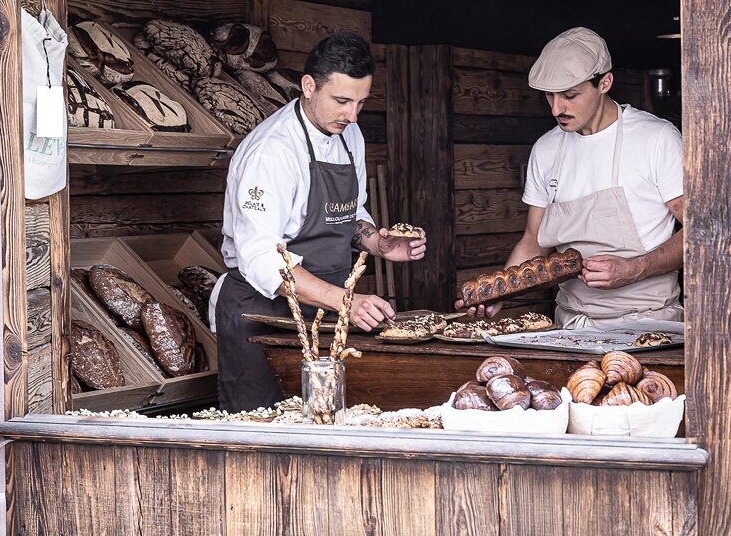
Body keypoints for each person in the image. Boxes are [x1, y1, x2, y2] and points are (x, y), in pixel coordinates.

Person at [210, 32, 427, 412]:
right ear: (308, 86)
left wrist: (378, 242)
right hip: (262, 317)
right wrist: (348, 301)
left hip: (324, 314)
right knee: (265, 439)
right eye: (342, 101)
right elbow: (263, 258)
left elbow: (350, 211)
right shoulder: (272, 152)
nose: (353, 115)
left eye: (360, 102)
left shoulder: (349, 134)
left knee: (329, 426)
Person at [457, 27, 684, 329]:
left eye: (570, 95)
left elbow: (700, 234)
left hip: (649, 324)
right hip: (571, 326)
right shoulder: (547, 148)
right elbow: (533, 241)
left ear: (604, 82)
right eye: (549, 96)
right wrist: (503, 291)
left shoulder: (656, 139)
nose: (556, 108)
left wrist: (635, 268)